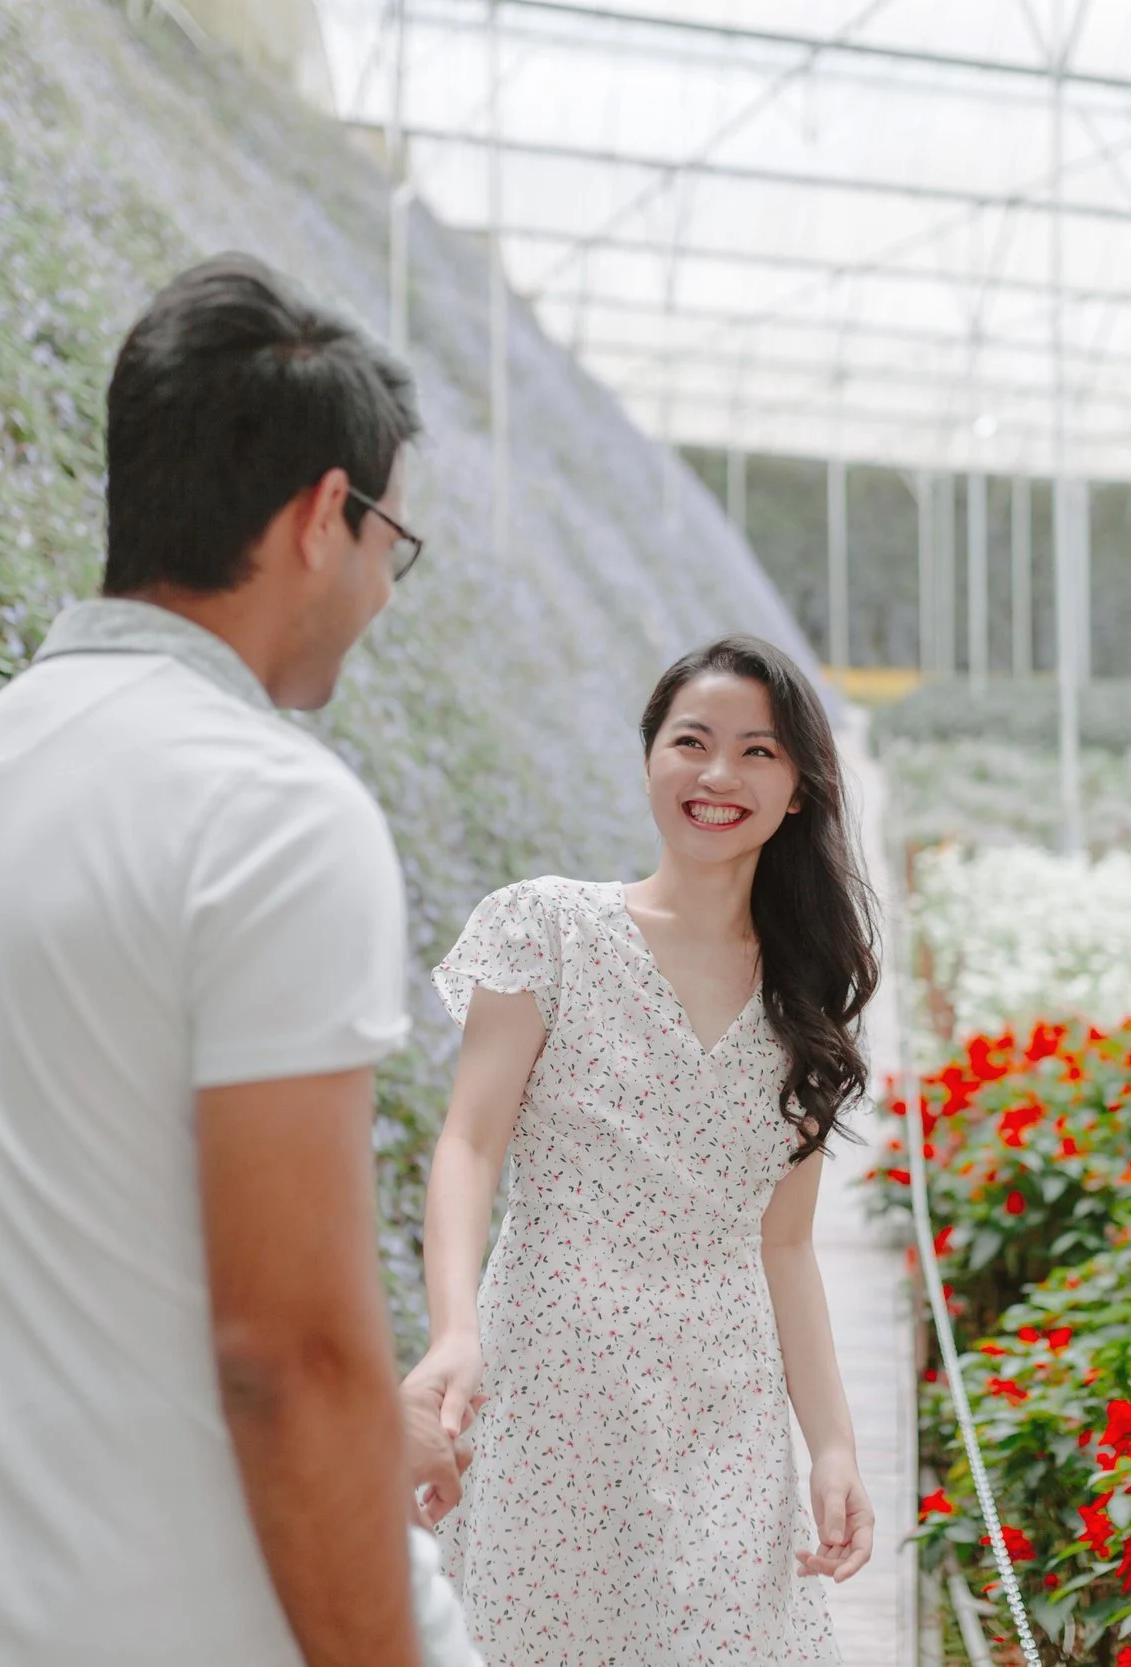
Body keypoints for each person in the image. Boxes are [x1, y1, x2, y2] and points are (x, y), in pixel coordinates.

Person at [0, 254, 476, 1667]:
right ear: (322, 515)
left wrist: (378, 1424)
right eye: (390, 541)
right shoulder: (270, 811)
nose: (384, 590)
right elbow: (287, 1357)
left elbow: (85, 1240)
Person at [406, 634, 883, 1665]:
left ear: (799, 789)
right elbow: (468, 1145)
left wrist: (833, 1445)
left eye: (758, 752)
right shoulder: (546, 929)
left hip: (723, 1407)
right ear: (649, 757)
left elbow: (787, 1245)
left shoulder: (806, 993)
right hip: (546, 1387)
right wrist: (453, 1332)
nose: (718, 775)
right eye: (692, 741)